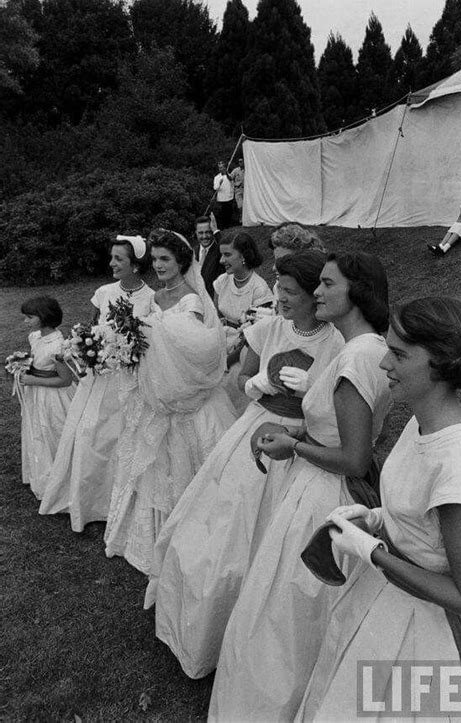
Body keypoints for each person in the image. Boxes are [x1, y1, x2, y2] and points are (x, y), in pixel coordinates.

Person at [208, 252, 393, 722]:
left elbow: (353, 457)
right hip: (323, 486)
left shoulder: (355, 356)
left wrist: (294, 445)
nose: (317, 292)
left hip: (325, 491)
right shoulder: (373, 348)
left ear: (357, 292)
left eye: (327, 284)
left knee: (283, 609)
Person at [143, 251, 344, 679]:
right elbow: (240, 382)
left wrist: (314, 390)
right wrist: (258, 384)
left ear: (315, 296)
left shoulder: (337, 342)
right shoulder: (269, 328)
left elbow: (341, 413)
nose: (281, 297)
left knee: (273, 532)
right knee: (222, 519)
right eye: (278, 288)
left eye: (290, 291)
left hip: (300, 441)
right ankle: (204, 618)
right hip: (254, 428)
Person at [295, 296, 461, 722]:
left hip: (426, 629)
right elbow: (417, 515)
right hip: (385, 599)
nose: (383, 365)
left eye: (397, 354)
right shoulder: (419, 421)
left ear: (440, 363)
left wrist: (371, 551)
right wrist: (376, 518)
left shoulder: (456, 464)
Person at [104, 229, 236, 575]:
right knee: (154, 469)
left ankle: (187, 535)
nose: (159, 265)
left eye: (166, 259)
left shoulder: (192, 299)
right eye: (156, 258)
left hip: (184, 397)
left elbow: (196, 350)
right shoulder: (156, 297)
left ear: (182, 261)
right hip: (155, 394)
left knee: (184, 466)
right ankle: (153, 535)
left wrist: (152, 334)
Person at [39, 236, 155, 531]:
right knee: (89, 433)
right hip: (99, 378)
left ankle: (119, 504)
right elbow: (92, 328)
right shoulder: (104, 292)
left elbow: (151, 345)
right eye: (112, 257)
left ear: (136, 265)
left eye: (119, 259)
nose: (112, 263)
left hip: (130, 379)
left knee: (124, 437)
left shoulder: (150, 299)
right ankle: (88, 502)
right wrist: (87, 348)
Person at [16, 296, 75, 500]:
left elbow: (65, 380)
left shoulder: (59, 346)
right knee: (37, 432)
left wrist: (33, 380)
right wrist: (21, 365)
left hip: (53, 396)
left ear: (44, 317)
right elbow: (36, 361)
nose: (26, 321)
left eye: (30, 317)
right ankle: (41, 473)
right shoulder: (35, 337)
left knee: (53, 432)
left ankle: (59, 477)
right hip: (37, 395)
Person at [214, 229, 273, 414]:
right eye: (221, 255)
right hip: (219, 341)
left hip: (243, 352)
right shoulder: (222, 281)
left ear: (244, 256)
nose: (221, 261)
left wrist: (227, 360)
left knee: (232, 398)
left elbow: (254, 337)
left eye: (227, 255)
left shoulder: (259, 289)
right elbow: (215, 317)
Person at [269, 222, 327, 311]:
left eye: (284, 262)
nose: (274, 268)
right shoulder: (278, 286)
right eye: (275, 260)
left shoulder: (320, 292)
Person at [428, 183, 461, 256]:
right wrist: (455, 226)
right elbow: (460, 217)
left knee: (460, 228)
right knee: (455, 227)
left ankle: (444, 249)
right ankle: (440, 246)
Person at [193, 213, 224, 299]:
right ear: (196, 233)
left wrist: (216, 231)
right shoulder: (193, 252)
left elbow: (229, 248)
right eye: (200, 233)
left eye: (208, 232)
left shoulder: (219, 251)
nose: (204, 236)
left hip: (215, 300)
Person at [213, 160, 234, 230]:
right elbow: (215, 188)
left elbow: (232, 182)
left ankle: (229, 227)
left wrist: (227, 174)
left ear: (225, 167)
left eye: (222, 167)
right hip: (221, 199)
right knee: (222, 214)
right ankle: (223, 228)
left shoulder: (229, 175)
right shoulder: (216, 177)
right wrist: (219, 183)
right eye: (219, 167)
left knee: (229, 213)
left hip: (229, 198)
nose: (220, 169)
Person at [229, 157, 245, 224]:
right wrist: (226, 173)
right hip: (238, 190)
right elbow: (230, 177)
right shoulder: (236, 170)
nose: (240, 163)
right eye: (239, 162)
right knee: (240, 205)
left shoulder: (248, 169)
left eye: (242, 161)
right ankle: (241, 217)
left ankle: (246, 219)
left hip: (246, 189)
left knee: (247, 205)